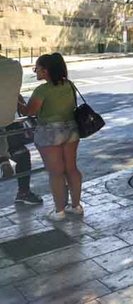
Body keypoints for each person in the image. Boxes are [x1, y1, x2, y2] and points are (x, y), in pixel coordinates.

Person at [18, 53, 83, 220]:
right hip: (71, 129)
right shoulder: (69, 85)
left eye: (37, 68)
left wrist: (18, 101)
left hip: (49, 132)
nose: (35, 72)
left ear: (46, 71)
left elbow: (29, 111)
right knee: (72, 169)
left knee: (56, 172)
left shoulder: (42, 90)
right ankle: (76, 206)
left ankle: (59, 211)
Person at [0, 56, 42, 204]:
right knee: (22, 155)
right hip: (8, 123)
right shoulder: (14, 66)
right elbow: (14, 92)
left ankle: (3, 159)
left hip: (4, 127)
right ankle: (23, 192)